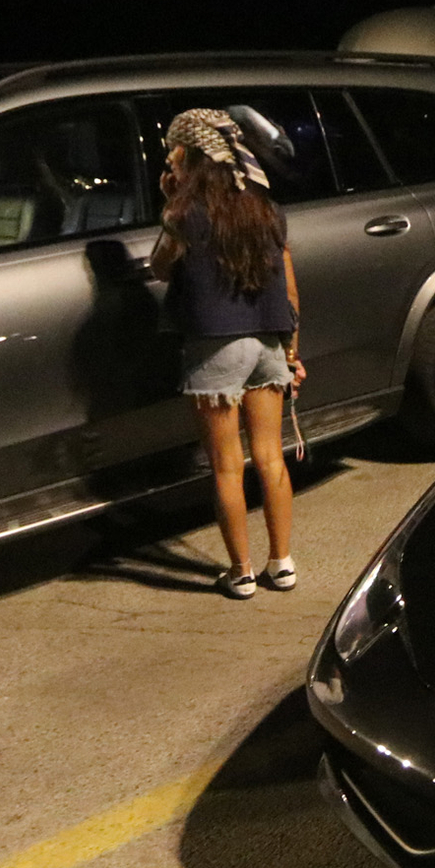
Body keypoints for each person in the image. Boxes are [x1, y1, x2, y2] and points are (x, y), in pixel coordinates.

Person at [150, 108, 303, 599]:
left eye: (175, 150)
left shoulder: (185, 215)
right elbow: (291, 290)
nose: (170, 158)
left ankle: (240, 573)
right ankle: (281, 564)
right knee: (270, 459)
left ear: (193, 156)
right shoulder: (267, 209)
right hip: (269, 342)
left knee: (226, 465)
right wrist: (292, 351)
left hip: (215, 345)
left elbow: (160, 269)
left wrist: (171, 202)